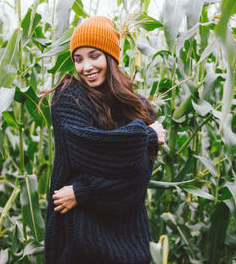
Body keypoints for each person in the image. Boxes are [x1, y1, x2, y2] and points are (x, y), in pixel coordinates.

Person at [43, 16, 166, 264]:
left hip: (130, 243)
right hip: (79, 244)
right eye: (78, 59)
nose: (86, 66)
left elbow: (136, 181)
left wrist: (82, 190)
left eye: (94, 55)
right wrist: (147, 136)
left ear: (111, 57)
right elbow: (93, 151)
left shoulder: (139, 108)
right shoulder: (68, 99)